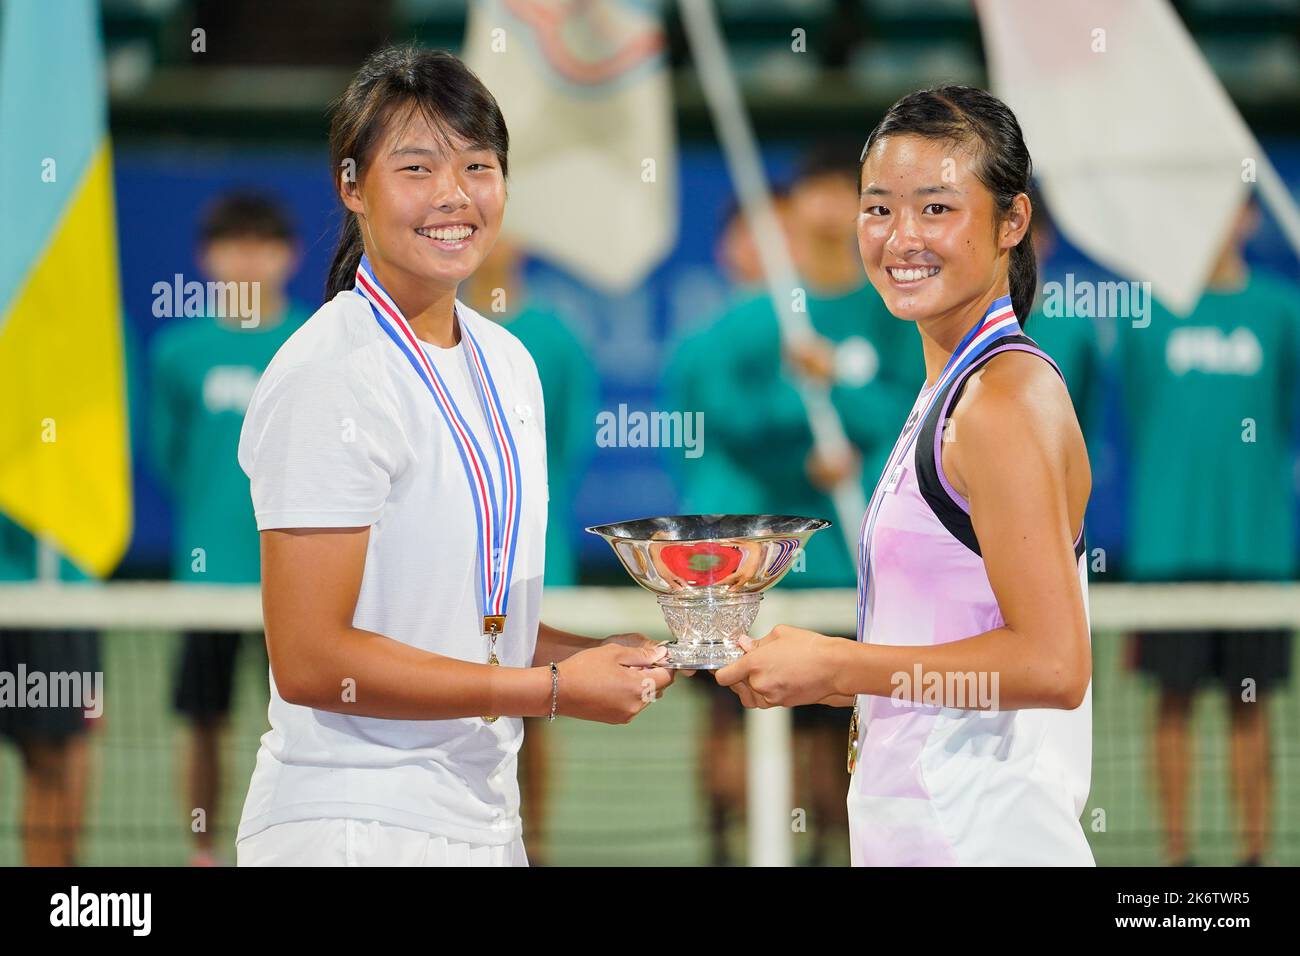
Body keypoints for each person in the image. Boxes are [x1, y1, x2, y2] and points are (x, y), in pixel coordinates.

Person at [233, 45, 674, 867]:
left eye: (478, 165)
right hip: (352, 825)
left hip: (482, 823)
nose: (454, 196)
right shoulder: (332, 373)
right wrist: (548, 693)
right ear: (351, 186)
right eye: (416, 167)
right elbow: (311, 659)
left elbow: (471, 624)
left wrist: (610, 657)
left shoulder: (508, 364)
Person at [717, 86, 1095, 866]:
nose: (900, 239)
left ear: (1012, 221)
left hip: (982, 842)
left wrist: (843, 663)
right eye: (879, 208)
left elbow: (1053, 668)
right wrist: (828, 676)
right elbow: (948, 652)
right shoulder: (954, 390)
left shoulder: (1002, 402)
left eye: (936, 209)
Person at [1121, 198, 1297, 867]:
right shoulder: (1147, 315)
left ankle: (1255, 857)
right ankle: (1176, 858)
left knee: (1252, 708)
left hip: (1257, 552)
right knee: (1173, 702)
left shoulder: (1283, 310)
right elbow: (1138, 409)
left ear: (1250, 217)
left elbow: (1285, 410)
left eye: (1230, 204)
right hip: (1170, 552)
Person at [148, 191, 307, 865]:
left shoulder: (313, 341)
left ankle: (301, 843)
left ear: (288, 256)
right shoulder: (178, 351)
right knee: (204, 722)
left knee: (306, 724)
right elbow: (169, 458)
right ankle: (203, 851)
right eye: (231, 245)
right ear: (206, 258)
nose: (247, 260)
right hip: (207, 579)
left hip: (300, 577)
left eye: (261, 244)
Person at [462, 237, 599, 864]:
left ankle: (530, 846)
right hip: (458, 568)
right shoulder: (438, 329)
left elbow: (567, 443)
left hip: (537, 561)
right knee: (462, 701)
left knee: (535, 702)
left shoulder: (556, 338)